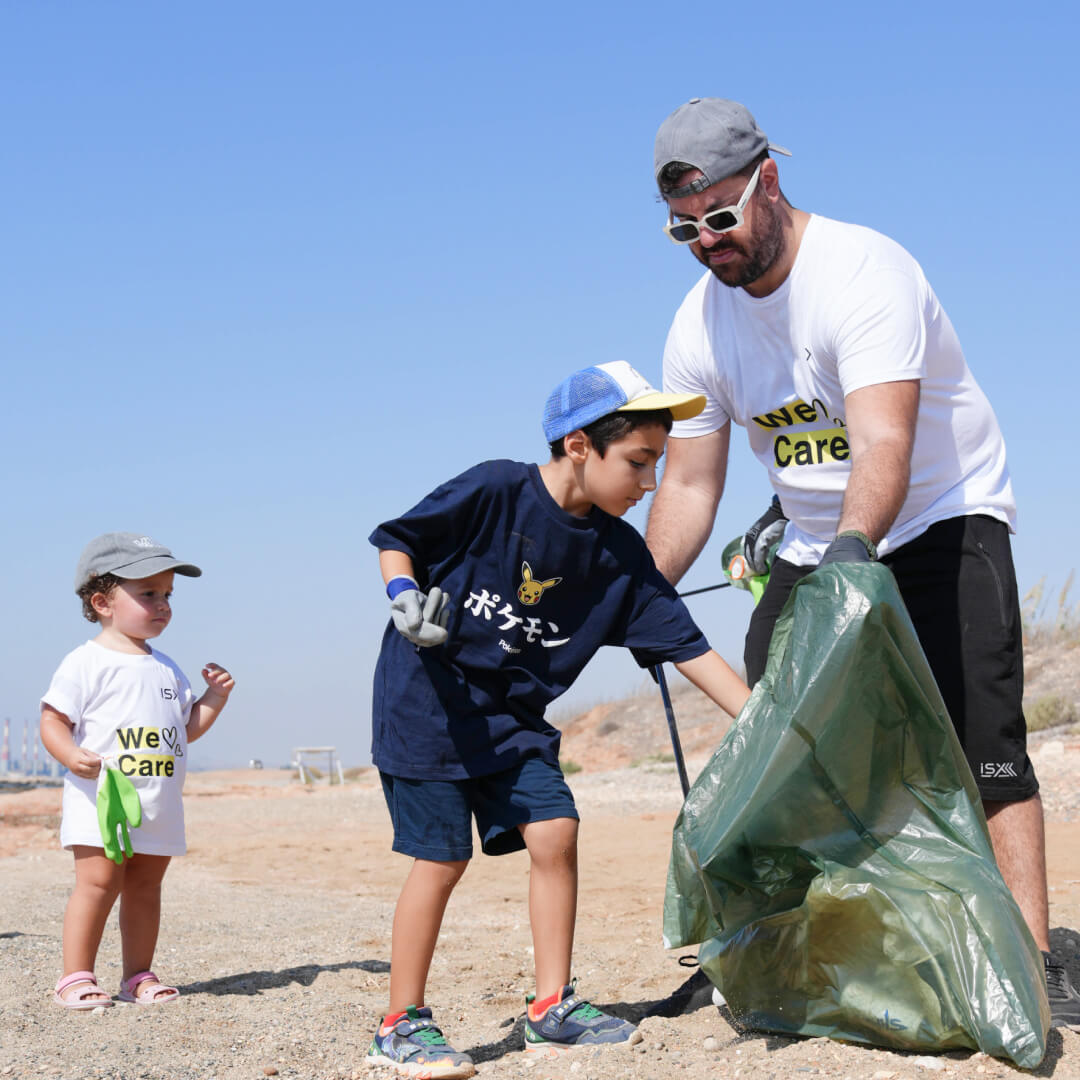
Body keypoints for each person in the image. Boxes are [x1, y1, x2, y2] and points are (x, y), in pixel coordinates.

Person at [643, 96, 1080, 1029]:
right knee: (781, 757)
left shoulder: (863, 271)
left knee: (983, 743)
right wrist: (638, 590)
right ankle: (762, 954)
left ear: (768, 181)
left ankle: (1035, 959)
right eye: (684, 228)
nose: (706, 242)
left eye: (719, 217)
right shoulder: (696, 327)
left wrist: (853, 552)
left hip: (939, 516)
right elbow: (687, 484)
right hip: (813, 540)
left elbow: (884, 441)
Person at [366, 360, 751, 1077]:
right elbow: (399, 539)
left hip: (513, 718)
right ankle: (400, 1024)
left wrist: (763, 722)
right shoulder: (496, 489)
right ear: (579, 445)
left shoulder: (619, 554)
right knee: (443, 859)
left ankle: (550, 1010)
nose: (650, 483)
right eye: (638, 461)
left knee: (555, 829)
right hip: (428, 704)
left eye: (657, 464)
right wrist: (402, 595)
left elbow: (690, 648)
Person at [41, 533, 235, 1009]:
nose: (163, 604)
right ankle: (75, 976)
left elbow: (184, 730)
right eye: (148, 593)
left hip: (158, 802)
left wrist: (215, 698)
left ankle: (137, 975)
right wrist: (69, 754)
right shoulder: (86, 662)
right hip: (102, 801)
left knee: (146, 888)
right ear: (102, 602)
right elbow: (53, 719)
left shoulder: (166, 668)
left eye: (168, 594)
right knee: (98, 884)